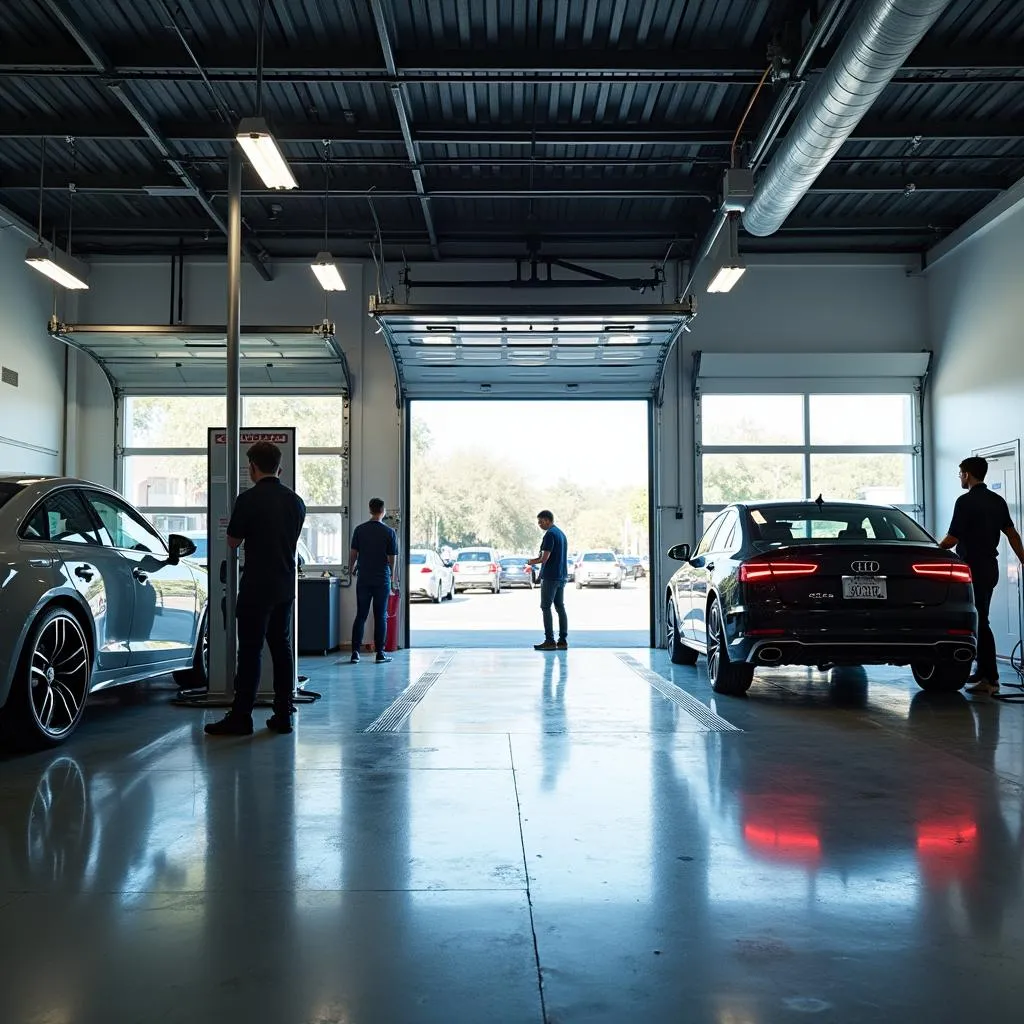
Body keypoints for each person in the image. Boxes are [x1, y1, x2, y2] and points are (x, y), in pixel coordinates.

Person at [206, 440, 307, 736]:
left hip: (256, 586)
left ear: (252, 468)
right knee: (282, 648)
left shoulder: (247, 499)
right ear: (280, 468)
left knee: (250, 651)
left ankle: (241, 717)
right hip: (286, 586)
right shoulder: (296, 502)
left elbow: (233, 540)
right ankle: (284, 714)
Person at [938, 455, 1024, 696]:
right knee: (978, 618)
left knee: (980, 621)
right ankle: (981, 670)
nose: (959, 478)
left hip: (972, 568)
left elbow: (952, 538)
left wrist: (934, 549)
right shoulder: (997, 501)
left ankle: (991, 678)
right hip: (990, 567)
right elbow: (1013, 535)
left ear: (967, 474)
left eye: (960, 474)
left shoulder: (964, 502)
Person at [349, 498, 399, 664]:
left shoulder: (359, 530)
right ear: (383, 511)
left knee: (361, 615)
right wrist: (391, 578)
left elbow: (353, 554)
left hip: (364, 578)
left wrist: (351, 569)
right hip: (381, 580)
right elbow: (392, 559)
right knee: (380, 616)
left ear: (370, 510)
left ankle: (355, 652)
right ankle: (380, 653)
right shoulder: (389, 532)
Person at [528, 510, 568, 651]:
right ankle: (562, 641)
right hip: (561, 576)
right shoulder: (561, 534)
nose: (539, 525)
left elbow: (544, 558)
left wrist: (530, 562)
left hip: (551, 577)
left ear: (547, 520)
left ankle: (550, 640)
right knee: (559, 607)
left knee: (545, 607)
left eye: (540, 522)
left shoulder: (550, 534)